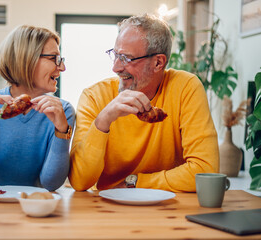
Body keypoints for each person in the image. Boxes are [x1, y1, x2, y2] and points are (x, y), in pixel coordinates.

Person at [68, 14, 219, 192]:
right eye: (115, 55)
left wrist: (135, 182)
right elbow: (79, 182)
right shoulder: (94, 96)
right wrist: (103, 120)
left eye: (126, 58)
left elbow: (205, 170)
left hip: (169, 207)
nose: (115, 67)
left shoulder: (186, 88)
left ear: (158, 62)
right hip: (107, 207)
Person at [0, 25, 75, 191]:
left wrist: (62, 131)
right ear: (27, 59)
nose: (62, 67)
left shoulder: (62, 111)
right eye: (54, 59)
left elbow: (51, 183)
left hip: (36, 206)